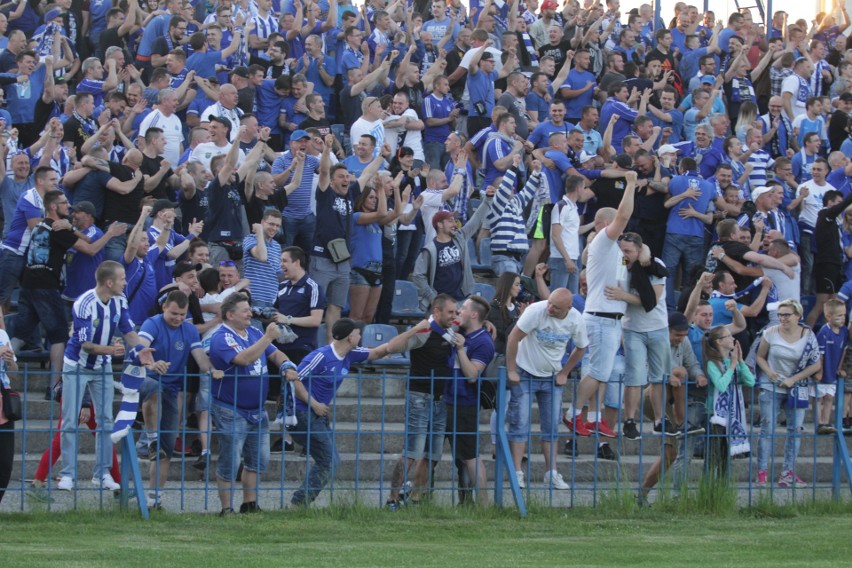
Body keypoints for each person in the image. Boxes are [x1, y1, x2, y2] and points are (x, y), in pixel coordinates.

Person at [290, 317, 420, 507]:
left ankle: (300, 502)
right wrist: (314, 403)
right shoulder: (320, 356)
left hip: (318, 415)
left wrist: (413, 330)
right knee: (329, 461)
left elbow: (379, 351)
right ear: (350, 337)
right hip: (303, 413)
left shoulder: (350, 354)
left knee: (329, 461)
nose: (361, 336)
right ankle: (299, 503)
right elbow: (294, 378)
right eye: (359, 334)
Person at [57, 261, 155, 492]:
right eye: (122, 279)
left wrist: (141, 349)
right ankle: (67, 474)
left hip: (103, 365)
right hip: (77, 365)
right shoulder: (84, 304)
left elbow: (129, 331)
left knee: (106, 420)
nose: (125, 282)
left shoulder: (120, 301)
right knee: (70, 419)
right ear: (109, 282)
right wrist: (111, 350)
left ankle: (101, 473)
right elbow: (86, 345)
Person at [208, 293, 299, 515]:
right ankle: (226, 508)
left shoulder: (254, 332)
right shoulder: (221, 337)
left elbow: (275, 353)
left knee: (258, 460)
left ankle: (250, 504)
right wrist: (268, 337)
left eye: (249, 309)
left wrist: (286, 364)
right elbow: (243, 359)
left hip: (257, 409)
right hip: (231, 409)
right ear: (230, 315)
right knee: (230, 461)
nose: (250, 313)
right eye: (245, 310)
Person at [565, 171, 637, 438]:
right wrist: (630, 184)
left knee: (601, 373)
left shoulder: (615, 251)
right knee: (598, 372)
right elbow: (624, 216)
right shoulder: (603, 242)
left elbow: (636, 261)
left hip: (610, 318)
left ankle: (594, 418)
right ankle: (573, 413)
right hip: (602, 318)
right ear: (606, 223)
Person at [137, 290, 222, 509]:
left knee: (165, 452)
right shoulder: (152, 324)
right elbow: (141, 349)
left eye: (182, 314)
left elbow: (201, 359)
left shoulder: (190, 330)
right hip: (145, 380)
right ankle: (151, 438)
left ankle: (155, 500)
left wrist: (213, 371)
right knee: (154, 386)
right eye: (174, 313)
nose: (178, 318)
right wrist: (152, 364)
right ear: (164, 307)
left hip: (173, 390)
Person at [506, 287, 587, 490]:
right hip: (524, 373)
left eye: (556, 307)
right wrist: (511, 369)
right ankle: (517, 472)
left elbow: (581, 347)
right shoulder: (536, 310)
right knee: (520, 423)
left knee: (551, 427)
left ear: (568, 307)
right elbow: (513, 337)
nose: (550, 308)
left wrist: (565, 372)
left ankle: (551, 473)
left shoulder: (576, 319)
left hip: (552, 377)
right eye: (549, 303)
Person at [754, 299, 822, 488]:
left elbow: (816, 363)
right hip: (771, 385)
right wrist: (768, 372)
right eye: (780, 314)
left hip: (797, 386)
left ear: (798, 316)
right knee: (767, 429)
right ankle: (762, 472)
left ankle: (788, 473)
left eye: (786, 315)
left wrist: (794, 379)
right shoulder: (770, 332)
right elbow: (760, 356)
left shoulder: (808, 335)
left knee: (795, 430)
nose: (782, 318)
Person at [445, 295, 495, 504]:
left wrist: (459, 350)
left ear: (474, 314)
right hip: (446, 400)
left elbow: (473, 376)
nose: (458, 311)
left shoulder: (483, 341)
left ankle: (483, 504)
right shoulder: (459, 333)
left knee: (470, 456)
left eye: (463, 308)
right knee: (459, 459)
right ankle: (465, 502)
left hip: (465, 404)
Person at [703, 325, 755, 480]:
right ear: (719, 341)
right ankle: (708, 487)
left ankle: (722, 487)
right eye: (729, 336)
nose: (733, 339)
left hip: (733, 413)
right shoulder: (712, 363)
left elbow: (751, 382)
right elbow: (721, 385)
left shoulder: (734, 360)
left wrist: (740, 361)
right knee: (714, 454)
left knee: (726, 455)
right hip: (716, 414)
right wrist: (732, 366)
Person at [814, 298, 847, 435]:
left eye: (844, 315)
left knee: (829, 398)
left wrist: (840, 368)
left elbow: (844, 350)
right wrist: (819, 372)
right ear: (828, 316)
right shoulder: (823, 332)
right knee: (818, 398)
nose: (843, 319)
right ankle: (819, 423)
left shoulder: (844, 331)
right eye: (839, 316)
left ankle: (826, 423)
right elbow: (819, 355)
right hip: (822, 373)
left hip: (833, 372)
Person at [0, 312, 17, 505]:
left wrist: (11, 361)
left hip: (4, 402)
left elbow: (14, 373)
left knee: (5, 463)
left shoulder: (3, 336)